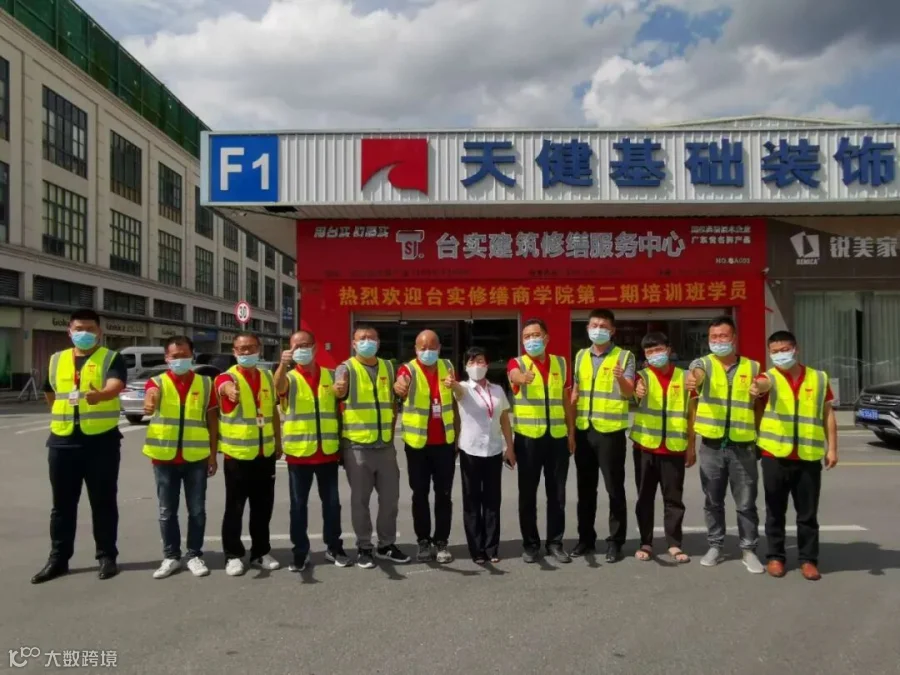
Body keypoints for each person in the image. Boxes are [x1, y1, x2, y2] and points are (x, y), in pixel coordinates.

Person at [32, 309, 127, 584]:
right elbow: (50, 391)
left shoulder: (111, 357)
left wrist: (102, 395)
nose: (84, 333)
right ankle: (58, 559)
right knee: (61, 506)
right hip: (63, 442)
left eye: (89, 329)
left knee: (103, 502)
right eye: (78, 329)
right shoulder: (56, 359)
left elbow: (116, 384)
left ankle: (107, 556)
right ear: (69, 331)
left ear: (99, 332)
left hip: (101, 442)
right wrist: (63, 415)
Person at [754, 330, 838, 581]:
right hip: (775, 454)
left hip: (808, 456)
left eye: (784, 350)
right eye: (775, 352)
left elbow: (828, 414)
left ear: (796, 349)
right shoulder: (768, 377)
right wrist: (756, 387)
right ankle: (775, 557)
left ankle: (808, 560)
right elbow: (760, 387)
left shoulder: (819, 378)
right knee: (774, 511)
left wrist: (833, 448)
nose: (780, 355)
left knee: (807, 514)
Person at [687, 315, 765, 574]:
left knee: (746, 502)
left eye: (723, 336)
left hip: (743, 445)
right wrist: (694, 379)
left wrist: (760, 390)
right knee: (713, 500)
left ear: (734, 338)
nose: (718, 341)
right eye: (713, 337)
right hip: (711, 445)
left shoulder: (752, 367)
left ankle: (748, 549)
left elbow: (761, 395)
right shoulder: (703, 363)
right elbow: (696, 374)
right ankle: (715, 545)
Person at [142, 336, 218, 579]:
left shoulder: (205, 384)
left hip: (196, 457)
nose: (180, 360)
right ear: (167, 358)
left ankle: (194, 555)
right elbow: (151, 395)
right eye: (175, 356)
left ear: (192, 355)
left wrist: (213, 455)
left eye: (184, 355)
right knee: (167, 511)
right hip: (164, 457)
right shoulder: (157, 382)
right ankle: (171, 556)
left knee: (197, 510)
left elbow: (212, 421)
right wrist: (149, 401)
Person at [333, 325, 410, 568]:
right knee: (360, 501)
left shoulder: (388, 367)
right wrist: (338, 390)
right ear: (353, 343)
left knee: (390, 500)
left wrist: (400, 393)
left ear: (378, 342)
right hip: (357, 446)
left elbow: (395, 399)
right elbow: (338, 393)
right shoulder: (345, 368)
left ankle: (386, 544)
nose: (367, 341)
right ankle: (364, 547)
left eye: (372, 338)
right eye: (362, 338)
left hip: (385, 446)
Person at [274, 330, 350, 571]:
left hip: (327, 452)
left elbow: (341, 401)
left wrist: (341, 390)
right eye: (296, 346)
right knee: (298, 507)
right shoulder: (289, 377)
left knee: (332, 505)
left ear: (315, 348)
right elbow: (278, 387)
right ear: (289, 349)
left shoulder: (330, 375)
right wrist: (282, 365)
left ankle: (334, 547)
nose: (301, 349)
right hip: (300, 454)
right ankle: (300, 552)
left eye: (306, 345)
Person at [507, 318, 575, 564]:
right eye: (526, 337)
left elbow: (565, 400)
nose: (531, 340)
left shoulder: (560, 363)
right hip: (528, 440)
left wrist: (571, 432)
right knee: (528, 495)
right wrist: (522, 378)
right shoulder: (517, 363)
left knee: (557, 494)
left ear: (546, 338)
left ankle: (555, 543)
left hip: (557, 438)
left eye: (535, 335)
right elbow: (514, 376)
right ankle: (531, 544)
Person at [570, 309, 636, 563]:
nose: (598, 329)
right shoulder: (580, 356)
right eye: (594, 325)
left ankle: (615, 542)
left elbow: (629, 393)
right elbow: (576, 390)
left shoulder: (624, 356)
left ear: (612, 330)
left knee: (614, 489)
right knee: (585, 490)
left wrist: (621, 379)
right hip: (585, 431)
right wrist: (571, 429)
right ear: (587, 328)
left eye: (603, 326)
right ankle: (585, 539)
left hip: (610, 433)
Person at [216, 333, 283, 576]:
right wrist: (229, 391)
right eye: (241, 349)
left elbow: (272, 411)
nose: (246, 352)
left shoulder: (266, 376)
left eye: (251, 348)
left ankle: (260, 552)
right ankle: (233, 555)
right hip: (238, 456)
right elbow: (223, 387)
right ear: (234, 351)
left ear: (259, 349)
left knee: (263, 508)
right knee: (234, 508)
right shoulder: (227, 377)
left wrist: (278, 441)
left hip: (265, 454)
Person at [394, 330, 459, 563]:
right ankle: (423, 541)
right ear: (415, 349)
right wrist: (399, 386)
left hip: (444, 443)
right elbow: (400, 383)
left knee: (444, 495)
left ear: (439, 348)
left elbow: (454, 403)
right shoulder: (408, 369)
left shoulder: (447, 367)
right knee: (419, 495)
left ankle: (441, 542)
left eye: (432, 347)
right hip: (417, 446)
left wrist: (457, 437)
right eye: (423, 347)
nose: (427, 351)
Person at [632, 332, 695, 563]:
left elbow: (691, 414)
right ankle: (646, 542)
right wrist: (636, 390)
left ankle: (674, 544)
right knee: (644, 498)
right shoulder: (641, 376)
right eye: (649, 352)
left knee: (673, 499)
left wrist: (691, 447)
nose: (654, 355)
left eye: (658, 349)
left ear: (668, 350)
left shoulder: (685, 377)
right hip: (645, 447)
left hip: (674, 448)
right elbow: (631, 391)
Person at [448, 347, 514, 563]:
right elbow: (457, 390)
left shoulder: (497, 390)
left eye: (481, 361)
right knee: (472, 501)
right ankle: (477, 549)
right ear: (466, 366)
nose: (477, 365)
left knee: (492, 501)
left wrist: (510, 447)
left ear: (487, 364)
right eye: (472, 362)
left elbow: (504, 420)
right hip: (471, 451)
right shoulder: (464, 388)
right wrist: (452, 383)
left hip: (493, 450)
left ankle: (492, 547)